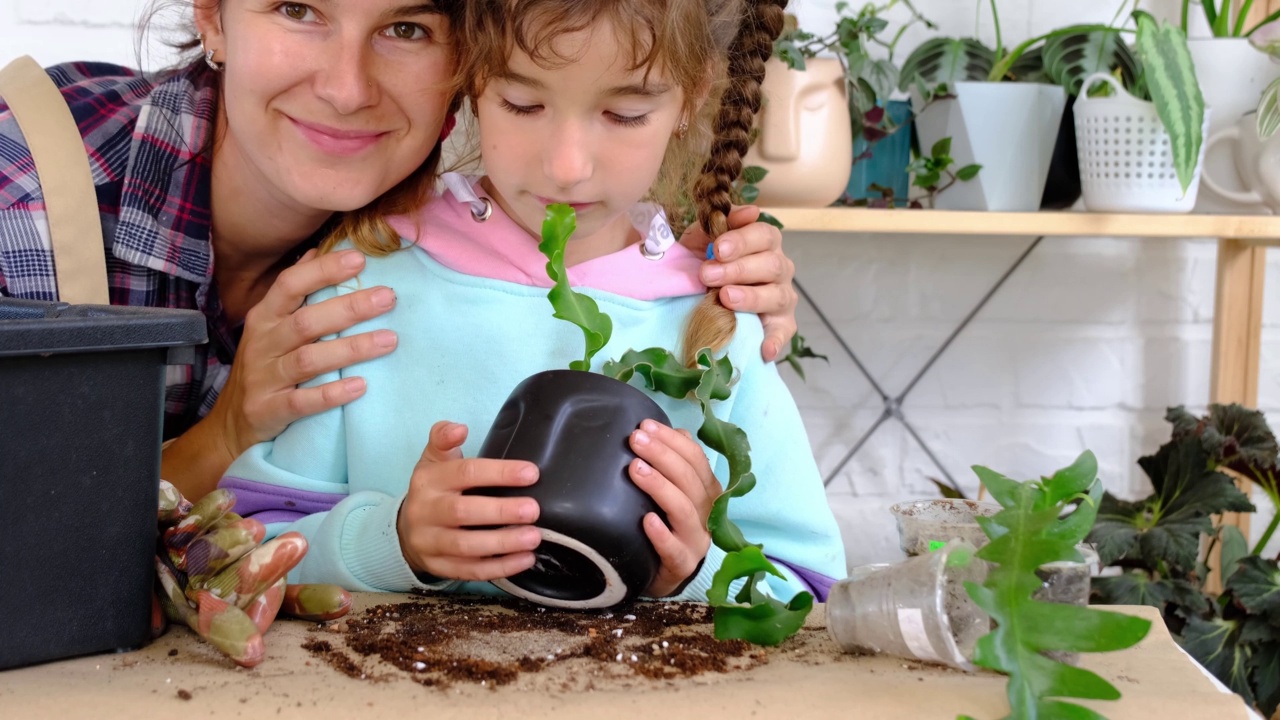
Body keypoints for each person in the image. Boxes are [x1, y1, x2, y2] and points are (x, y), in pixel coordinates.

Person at [0, 0, 801, 505]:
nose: (347, 87)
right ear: (213, 15)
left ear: (468, 64)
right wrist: (230, 429)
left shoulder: (426, 241)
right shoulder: (22, 196)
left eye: (407, 27)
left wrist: (682, 273)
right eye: (296, 9)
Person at [219, 0, 845, 604]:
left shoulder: (718, 320)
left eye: (625, 114)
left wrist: (696, 571)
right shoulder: (358, 287)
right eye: (522, 104)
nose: (567, 168)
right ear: (472, 81)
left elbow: (813, 593)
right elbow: (241, 550)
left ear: (695, 94)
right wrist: (395, 542)